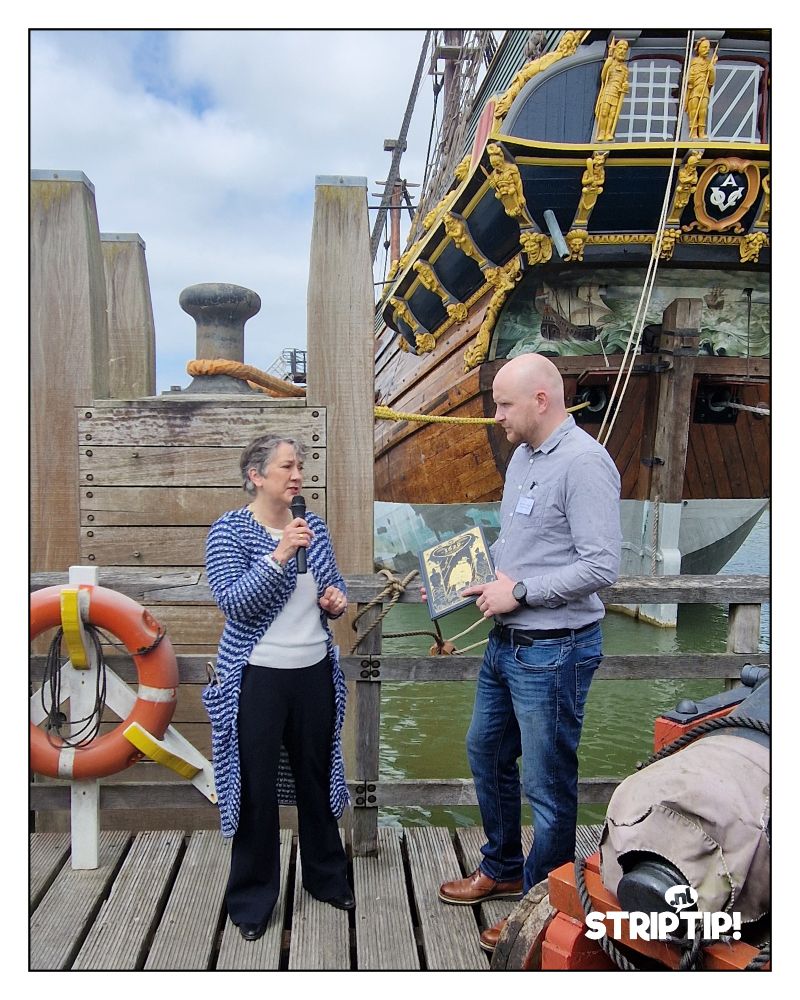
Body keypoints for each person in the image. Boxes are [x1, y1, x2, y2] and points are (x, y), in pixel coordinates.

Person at [436, 354, 622, 953]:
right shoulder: (522, 459)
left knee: (547, 785)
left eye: (504, 403)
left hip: (556, 651)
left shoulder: (586, 464)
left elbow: (602, 567)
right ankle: (504, 866)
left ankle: (539, 911)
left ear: (542, 400)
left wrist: (517, 591)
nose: (496, 416)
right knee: (485, 751)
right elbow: (518, 543)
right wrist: (465, 579)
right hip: (506, 645)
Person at [203, 434, 353, 942]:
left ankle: (327, 878)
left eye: (300, 467)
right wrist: (280, 554)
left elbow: (332, 590)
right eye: (287, 467)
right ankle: (251, 898)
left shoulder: (314, 527)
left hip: (313, 671)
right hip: (257, 678)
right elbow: (235, 604)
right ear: (257, 476)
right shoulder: (229, 531)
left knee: (315, 777)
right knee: (254, 788)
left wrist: (335, 601)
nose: (297, 475)